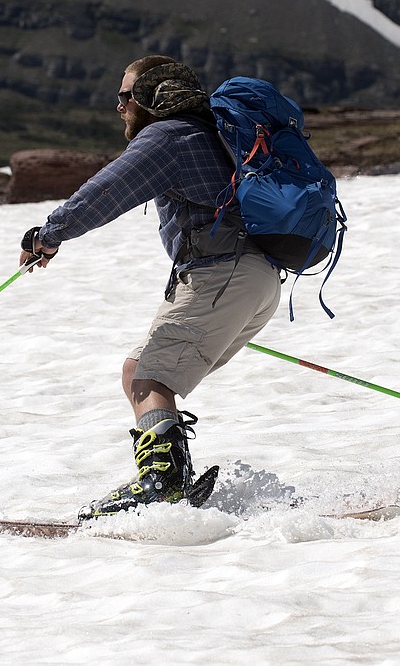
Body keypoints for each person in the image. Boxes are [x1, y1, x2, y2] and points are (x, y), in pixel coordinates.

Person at [19, 55, 283, 519]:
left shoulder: (167, 137)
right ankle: (168, 477)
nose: (118, 106)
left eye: (125, 96)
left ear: (149, 96)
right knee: (139, 369)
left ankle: (161, 485)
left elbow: (106, 192)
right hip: (257, 278)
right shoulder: (214, 132)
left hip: (220, 275)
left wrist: (47, 235)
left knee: (150, 378)